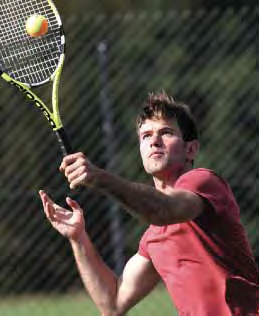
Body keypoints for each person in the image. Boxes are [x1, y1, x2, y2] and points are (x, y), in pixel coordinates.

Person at [39, 91, 259, 316]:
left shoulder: (205, 182)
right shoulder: (153, 238)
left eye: (166, 132)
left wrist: (100, 178)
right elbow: (113, 302)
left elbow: (164, 209)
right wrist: (78, 238)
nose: (154, 141)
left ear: (190, 149)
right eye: (146, 135)